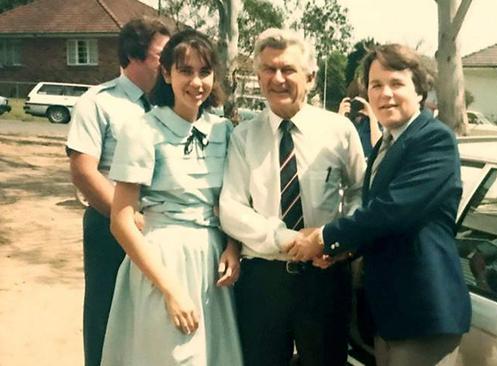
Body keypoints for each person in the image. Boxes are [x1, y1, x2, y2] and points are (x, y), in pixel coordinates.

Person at [287, 43, 472, 366]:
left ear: (419, 91)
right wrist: (345, 251)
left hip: (423, 313)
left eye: (396, 84)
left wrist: (324, 236)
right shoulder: (386, 143)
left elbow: (393, 210)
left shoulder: (435, 140)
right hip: (388, 315)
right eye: (376, 85)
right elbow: (383, 225)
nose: (385, 93)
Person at [218, 28, 366, 366]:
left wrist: (336, 242)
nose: (278, 78)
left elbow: (361, 193)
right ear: (258, 75)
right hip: (263, 281)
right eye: (269, 69)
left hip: (325, 274)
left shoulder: (340, 131)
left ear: (310, 76)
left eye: (288, 69)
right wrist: (286, 239)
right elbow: (231, 208)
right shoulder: (244, 136)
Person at [99, 29, 243, 366]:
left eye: (204, 72)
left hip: (211, 269)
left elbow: (234, 202)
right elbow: (121, 221)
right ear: (166, 74)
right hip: (162, 262)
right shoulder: (143, 130)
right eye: (185, 71)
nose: (197, 82)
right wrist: (170, 289)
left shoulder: (224, 130)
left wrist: (233, 247)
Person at [65, 17, 171, 366]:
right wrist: (129, 220)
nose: (169, 63)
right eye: (161, 55)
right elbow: (84, 171)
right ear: (135, 56)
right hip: (110, 226)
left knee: (155, 315)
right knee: (106, 315)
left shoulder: (168, 105)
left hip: (163, 227)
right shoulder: (98, 102)